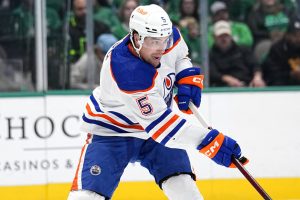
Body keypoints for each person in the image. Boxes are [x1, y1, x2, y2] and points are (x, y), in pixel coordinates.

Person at [67, 4, 247, 200]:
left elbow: (180, 55)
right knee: (86, 197)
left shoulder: (169, 37)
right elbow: (162, 127)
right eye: (154, 42)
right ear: (136, 38)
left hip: (156, 131)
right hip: (113, 132)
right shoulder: (124, 69)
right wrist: (209, 142)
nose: (161, 48)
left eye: (164, 40)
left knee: (185, 190)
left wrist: (185, 74)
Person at [209, 20, 265, 87]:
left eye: (226, 36)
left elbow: (255, 65)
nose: (224, 39)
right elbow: (212, 73)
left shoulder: (243, 50)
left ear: (231, 36)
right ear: (214, 37)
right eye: (220, 36)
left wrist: (257, 77)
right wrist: (227, 79)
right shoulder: (210, 55)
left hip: (247, 85)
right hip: (223, 89)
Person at [262, 16, 300, 85]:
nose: (299, 39)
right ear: (287, 35)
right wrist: (290, 75)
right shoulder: (277, 49)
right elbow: (271, 74)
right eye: (296, 35)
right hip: (283, 88)